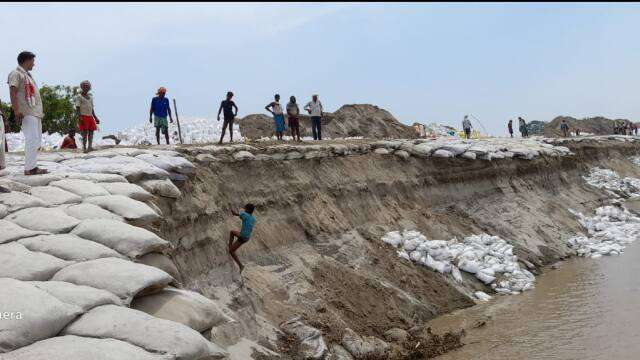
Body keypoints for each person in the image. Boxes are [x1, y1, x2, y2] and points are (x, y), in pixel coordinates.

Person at [8, 51, 47, 175]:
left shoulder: (28, 76)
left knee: (36, 140)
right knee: (31, 139)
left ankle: (32, 166)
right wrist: (16, 110)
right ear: (27, 60)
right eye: (32, 61)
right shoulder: (16, 73)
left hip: (34, 112)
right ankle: (30, 168)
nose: (34, 64)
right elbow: (13, 91)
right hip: (26, 112)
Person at [228, 203, 256, 273]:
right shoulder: (253, 219)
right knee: (233, 232)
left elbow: (237, 214)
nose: (244, 209)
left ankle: (241, 266)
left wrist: (233, 212)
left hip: (242, 236)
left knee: (231, 251)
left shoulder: (244, 214)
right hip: (247, 237)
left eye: (245, 208)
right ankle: (230, 246)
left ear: (247, 210)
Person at [74, 81, 100, 153]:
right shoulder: (79, 96)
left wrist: (95, 117)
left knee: (91, 132)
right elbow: (77, 107)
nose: (86, 88)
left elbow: (92, 108)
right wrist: (80, 117)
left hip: (90, 116)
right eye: (85, 86)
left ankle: (90, 146)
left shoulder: (90, 97)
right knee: (84, 133)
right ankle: (84, 147)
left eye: (88, 87)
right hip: (83, 116)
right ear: (82, 87)